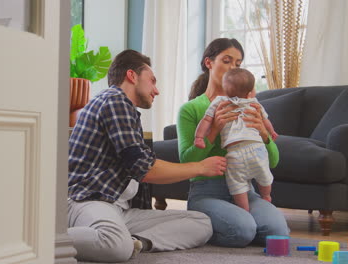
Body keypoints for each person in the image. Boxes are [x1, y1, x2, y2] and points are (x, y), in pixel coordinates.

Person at [67, 49, 227, 263]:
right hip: (88, 202)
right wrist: (201, 167)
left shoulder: (125, 108)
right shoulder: (114, 100)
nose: (156, 90)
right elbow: (143, 168)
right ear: (132, 76)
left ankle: (133, 242)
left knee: (201, 223)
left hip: (119, 211)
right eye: (152, 81)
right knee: (114, 245)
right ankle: (41, 239)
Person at [178, 38, 289, 248]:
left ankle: (238, 222)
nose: (233, 67)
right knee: (242, 231)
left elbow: (273, 162)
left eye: (238, 64)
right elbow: (186, 161)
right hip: (206, 191)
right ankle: (204, 226)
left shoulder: (250, 106)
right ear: (209, 63)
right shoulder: (191, 109)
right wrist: (213, 132)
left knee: (278, 232)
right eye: (227, 61)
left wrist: (265, 135)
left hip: (244, 189)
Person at [194, 68, 276, 212]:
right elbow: (266, 120)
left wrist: (199, 137)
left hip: (234, 153)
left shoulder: (220, 102)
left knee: (237, 185)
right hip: (256, 148)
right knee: (264, 174)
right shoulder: (254, 102)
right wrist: (271, 132)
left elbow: (206, 120)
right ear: (250, 91)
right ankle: (266, 195)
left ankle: (244, 210)